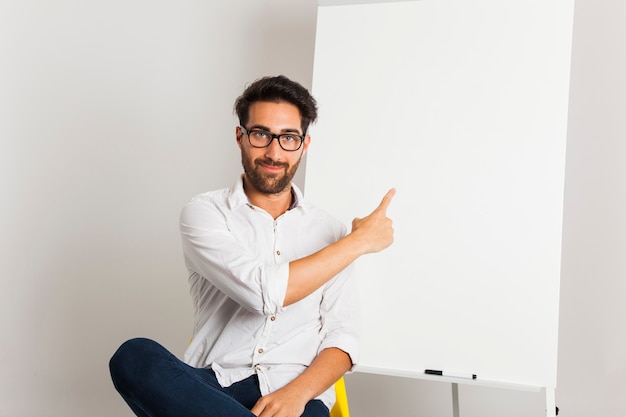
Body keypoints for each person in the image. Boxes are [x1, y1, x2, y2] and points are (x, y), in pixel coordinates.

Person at [109, 75, 395, 417]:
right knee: (134, 357)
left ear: (304, 145)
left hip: (297, 396)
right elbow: (263, 294)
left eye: (288, 138)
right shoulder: (206, 213)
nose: (274, 152)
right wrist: (359, 242)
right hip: (212, 389)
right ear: (240, 137)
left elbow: (342, 338)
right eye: (261, 134)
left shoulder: (331, 231)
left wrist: (296, 395)